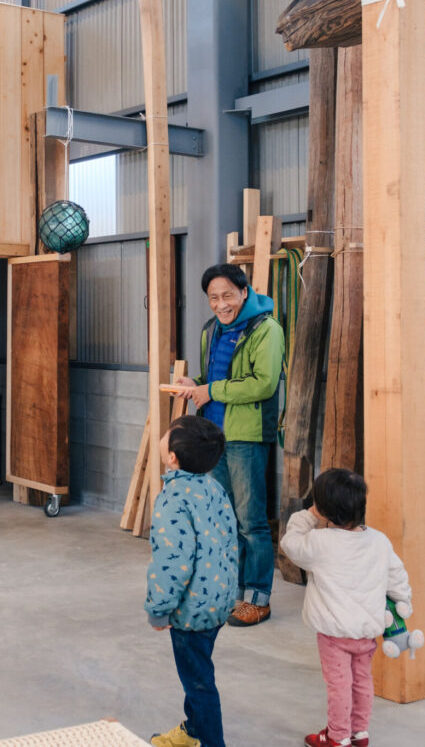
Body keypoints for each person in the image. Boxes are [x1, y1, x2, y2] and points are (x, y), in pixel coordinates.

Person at [175, 262, 284, 627]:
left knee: (251, 522)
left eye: (227, 296)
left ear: (244, 292)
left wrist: (212, 390)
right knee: (225, 520)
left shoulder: (266, 329)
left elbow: (263, 384)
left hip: (247, 437)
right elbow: (215, 378)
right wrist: (196, 384)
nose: (221, 304)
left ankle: (258, 599)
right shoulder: (212, 330)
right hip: (215, 436)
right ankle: (233, 593)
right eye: (213, 297)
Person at [279, 468, 414, 747]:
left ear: (323, 509)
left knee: (339, 685)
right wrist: (403, 603)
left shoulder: (320, 542)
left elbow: (290, 544)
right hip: (367, 632)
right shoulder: (379, 541)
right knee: (362, 681)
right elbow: (397, 577)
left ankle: (338, 737)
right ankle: (359, 733)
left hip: (334, 635)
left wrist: (308, 515)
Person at [145, 415, 240, 747]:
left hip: (191, 612)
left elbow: (172, 561)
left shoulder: (172, 499)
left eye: (167, 434)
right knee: (199, 670)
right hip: (219, 601)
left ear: (172, 456)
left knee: (199, 684)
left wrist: (159, 608)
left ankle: (211, 741)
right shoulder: (214, 487)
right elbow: (230, 541)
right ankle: (192, 731)